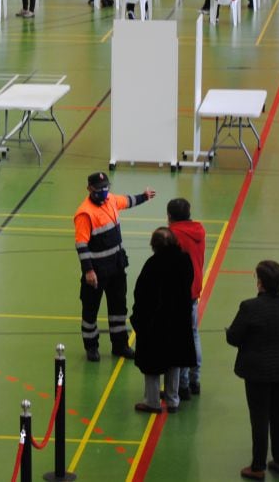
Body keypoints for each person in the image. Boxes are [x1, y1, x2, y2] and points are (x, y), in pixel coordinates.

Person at [225, 260, 279, 480]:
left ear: (260, 283)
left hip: (257, 373)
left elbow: (234, 338)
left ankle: (257, 466)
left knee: (259, 419)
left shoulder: (250, 307)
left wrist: (229, 331)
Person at [73, 171, 156, 362]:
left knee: (119, 309)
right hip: (96, 272)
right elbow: (81, 244)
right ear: (89, 189)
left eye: (106, 188)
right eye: (99, 189)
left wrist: (144, 196)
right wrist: (89, 270)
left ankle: (120, 345)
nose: (104, 192)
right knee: (90, 311)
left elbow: (127, 201)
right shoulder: (84, 213)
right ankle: (91, 347)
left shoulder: (111, 200)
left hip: (117, 268)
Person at [131, 227, 196, 414]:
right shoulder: (185, 261)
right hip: (178, 321)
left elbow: (141, 294)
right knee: (174, 360)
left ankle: (152, 402)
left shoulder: (152, 265)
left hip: (155, 324)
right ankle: (173, 400)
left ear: (154, 245)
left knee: (151, 364)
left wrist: (138, 319)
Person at [167, 198, 205, 398]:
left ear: (170, 216)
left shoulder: (173, 235)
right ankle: (194, 380)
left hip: (177, 292)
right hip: (193, 289)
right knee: (193, 334)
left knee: (179, 339)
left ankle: (182, 385)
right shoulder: (199, 230)